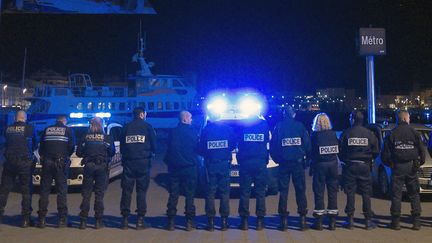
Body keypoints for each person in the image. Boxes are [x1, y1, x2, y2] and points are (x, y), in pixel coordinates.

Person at [382, 110, 426, 230]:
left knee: (396, 195)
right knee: (414, 194)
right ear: (406, 119)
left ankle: (396, 222)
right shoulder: (415, 133)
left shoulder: (392, 134)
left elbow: (384, 155)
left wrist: (391, 164)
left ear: (398, 119)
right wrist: (418, 164)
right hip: (411, 166)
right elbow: (422, 153)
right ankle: (416, 222)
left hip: (397, 167)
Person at [270, 106, 311, 231]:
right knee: (300, 191)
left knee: (283, 192)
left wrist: (278, 160)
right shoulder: (300, 126)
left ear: (284, 115)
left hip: (283, 164)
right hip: (298, 164)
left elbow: (273, 147)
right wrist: (306, 159)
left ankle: (283, 222)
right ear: (293, 115)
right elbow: (307, 144)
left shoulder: (278, 127)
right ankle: (302, 220)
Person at [339, 110, 379, 230]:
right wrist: (369, 157)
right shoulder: (369, 134)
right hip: (365, 166)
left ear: (352, 119)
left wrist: (346, 159)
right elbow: (376, 151)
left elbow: (340, 151)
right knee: (366, 193)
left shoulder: (346, 133)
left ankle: (350, 220)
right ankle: (367, 221)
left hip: (350, 166)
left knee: (350, 193)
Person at [120, 107, 156, 230]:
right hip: (143, 163)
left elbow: (122, 145)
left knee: (126, 191)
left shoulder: (126, 127)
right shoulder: (147, 127)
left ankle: (124, 220)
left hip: (129, 163)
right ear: (141, 114)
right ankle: (140, 220)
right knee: (141, 192)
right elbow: (154, 145)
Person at [76, 117, 115, 230]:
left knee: (86, 194)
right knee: (99, 194)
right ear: (102, 125)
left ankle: (83, 221)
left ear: (91, 125)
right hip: (102, 167)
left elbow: (78, 152)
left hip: (88, 166)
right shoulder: (107, 137)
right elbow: (112, 152)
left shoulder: (85, 137)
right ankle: (98, 221)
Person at [0, 110, 37, 227]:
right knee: (26, 191)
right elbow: (35, 144)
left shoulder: (7, 128)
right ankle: (25, 219)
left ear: (16, 118)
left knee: (4, 191)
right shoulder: (30, 128)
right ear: (24, 118)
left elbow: (3, 143)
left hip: (9, 163)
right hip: (24, 163)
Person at [37, 115, 75, 228]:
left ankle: (41, 219)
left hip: (47, 163)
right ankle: (62, 220)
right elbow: (71, 147)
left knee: (44, 191)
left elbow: (41, 147)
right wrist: (64, 156)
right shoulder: (68, 130)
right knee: (61, 191)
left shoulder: (47, 129)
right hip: (61, 164)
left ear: (56, 121)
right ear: (64, 121)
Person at [164, 111, 199, 231]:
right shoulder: (193, 132)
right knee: (190, 195)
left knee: (173, 194)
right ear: (184, 119)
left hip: (174, 168)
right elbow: (198, 149)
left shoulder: (172, 132)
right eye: (190, 117)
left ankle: (170, 221)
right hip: (189, 168)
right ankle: (189, 222)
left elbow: (168, 148)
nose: (191, 120)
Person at [199, 120, 236, 231]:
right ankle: (224, 222)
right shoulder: (228, 129)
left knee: (210, 194)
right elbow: (233, 144)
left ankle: (210, 222)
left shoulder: (206, 130)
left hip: (211, 165)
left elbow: (201, 148)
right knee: (224, 193)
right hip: (224, 165)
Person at [237, 116, 270, 231]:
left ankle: (244, 221)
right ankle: (260, 221)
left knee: (245, 192)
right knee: (260, 193)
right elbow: (266, 140)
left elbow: (240, 143)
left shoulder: (243, 125)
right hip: (260, 163)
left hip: (246, 163)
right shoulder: (264, 125)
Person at [309, 113, 339, 230]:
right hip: (333, 165)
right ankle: (332, 222)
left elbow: (311, 152)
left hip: (320, 166)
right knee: (332, 192)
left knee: (319, 192)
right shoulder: (333, 134)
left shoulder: (315, 135)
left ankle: (319, 222)